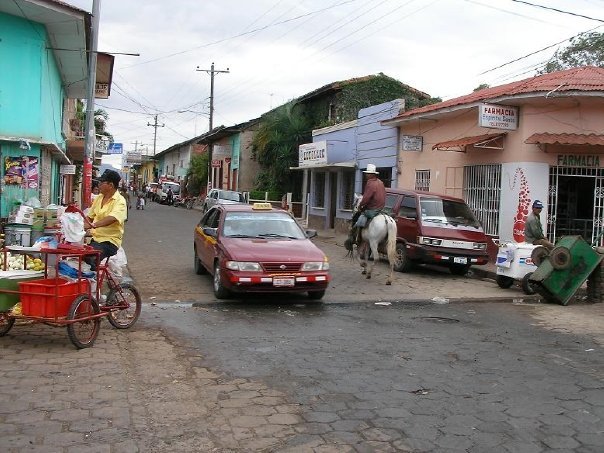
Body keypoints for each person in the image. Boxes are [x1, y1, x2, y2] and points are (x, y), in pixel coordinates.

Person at [84, 169, 128, 270]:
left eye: (101, 183)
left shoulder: (120, 201)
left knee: (90, 258)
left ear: (110, 185)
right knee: (79, 255)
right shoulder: (99, 198)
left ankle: (93, 283)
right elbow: (90, 217)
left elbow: (112, 218)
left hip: (109, 242)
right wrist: (81, 225)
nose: (98, 185)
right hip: (95, 239)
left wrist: (94, 225)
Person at [347, 164, 386, 249]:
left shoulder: (370, 183)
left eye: (367, 173)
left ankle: (356, 238)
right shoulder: (381, 182)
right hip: (381, 208)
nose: (366, 175)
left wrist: (361, 205)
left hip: (372, 209)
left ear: (372, 174)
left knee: (357, 218)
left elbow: (366, 198)